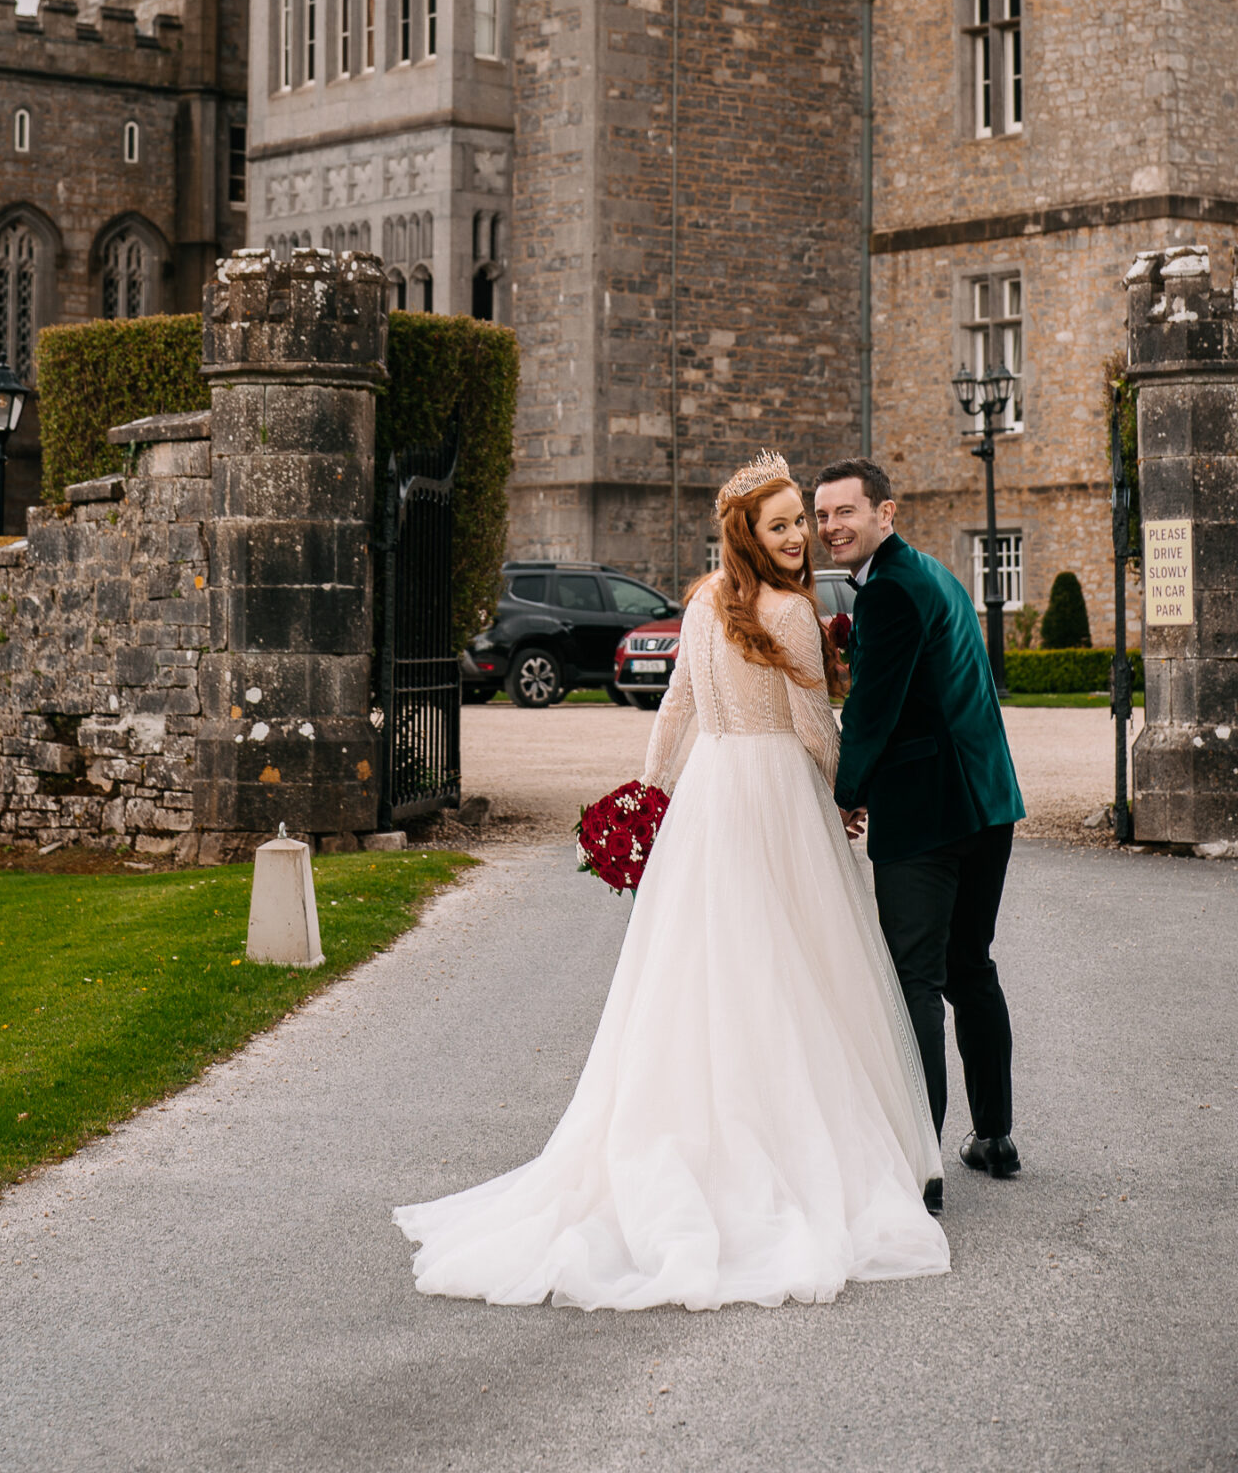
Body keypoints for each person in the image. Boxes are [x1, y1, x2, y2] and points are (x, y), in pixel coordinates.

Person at [395, 452, 950, 1310]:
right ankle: (789, 1142)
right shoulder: (792, 615)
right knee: (794, 966)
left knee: (701, 969)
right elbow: (811, 729)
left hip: (710, 798)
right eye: (782, 525)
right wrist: (850, 798)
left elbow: (677, 711)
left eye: (801, 521)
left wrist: (649, 797)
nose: (801, 536)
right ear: (749, 536)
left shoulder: (701, 607)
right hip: (775, 798)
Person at [814, 457, 1026, 1187]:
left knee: (914, 980)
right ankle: (994, 1138)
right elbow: (922, 680)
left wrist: (842, 793)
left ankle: (918, 1166)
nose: (829, 526)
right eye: (821, 516)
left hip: (928, 813)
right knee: (971, 969)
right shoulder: (928, 572)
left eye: (844, 512)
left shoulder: (892, 591)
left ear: (885, 513)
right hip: (985, 803)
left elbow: (872, 711)